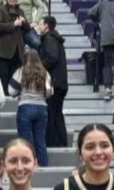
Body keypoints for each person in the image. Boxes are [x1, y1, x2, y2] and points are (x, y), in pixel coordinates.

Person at [9, 51, 53, 166]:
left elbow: (11, 91)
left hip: (25, 107)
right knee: (41, 140)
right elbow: (50, 92)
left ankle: (28, 165)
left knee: (26, 142)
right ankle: (43, 167)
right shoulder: (45, 73)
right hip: (42, 108)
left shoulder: (20, 72)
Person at [38, 16, 69, 148]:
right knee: (57, 114)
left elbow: (51, 58)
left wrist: (37, 67)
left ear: (46, 26)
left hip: (53, 83)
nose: (39, 26)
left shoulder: (49, 39)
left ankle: (50, 143)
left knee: (50, 115)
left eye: (40, 24)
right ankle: (61, 143)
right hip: (60, 83)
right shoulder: (55, 39)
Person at [0, 0, 28, 87]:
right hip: (4, 50)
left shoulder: (21, 11)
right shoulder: (1, 9)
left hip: (17, 50)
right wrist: (14, 24)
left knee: (15, 76)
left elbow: (27, 29)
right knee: (3, 76)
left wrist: (24, 23)